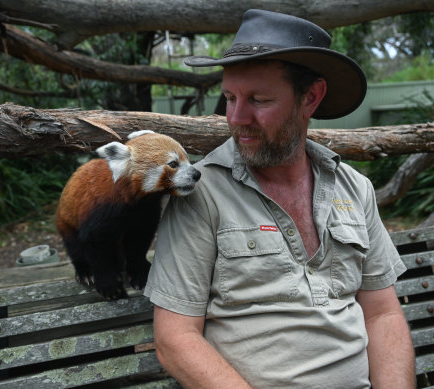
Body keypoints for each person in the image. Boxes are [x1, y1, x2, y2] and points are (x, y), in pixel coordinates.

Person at [143, 9, 415, 389]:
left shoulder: (354, 188)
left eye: (258, 99)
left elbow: (382, 315)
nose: (236, 117)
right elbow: (175, 339)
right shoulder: (202, 194)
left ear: (311, 98)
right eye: (230, 97)